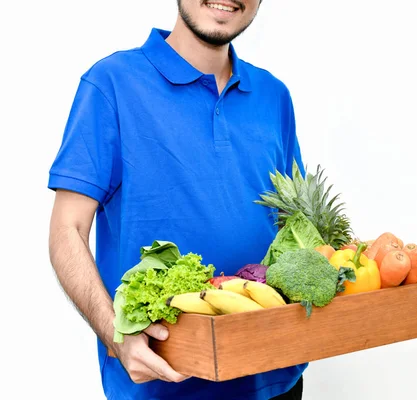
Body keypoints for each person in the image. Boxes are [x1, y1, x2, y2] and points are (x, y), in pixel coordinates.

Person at [47, 1, 306, 399]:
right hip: (163, 384)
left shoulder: (274, 95)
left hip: (275, 376)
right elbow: (68, 228)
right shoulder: (112, 84)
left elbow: (296, 224)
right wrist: (116, 335)